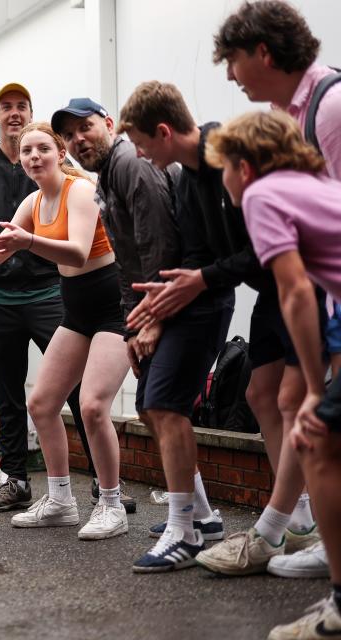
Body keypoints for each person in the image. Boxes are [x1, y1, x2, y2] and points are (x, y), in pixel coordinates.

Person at [121, 81, 322, 575]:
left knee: (296, 402)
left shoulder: (232, 160)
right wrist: (168, 297)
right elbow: (200, 255)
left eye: (144, 145)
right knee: (260, 396)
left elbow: (267, 245)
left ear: (164, 132)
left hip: (297, 284)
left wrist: (201, 280)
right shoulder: (188, 180)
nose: (143, 157)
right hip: (270, 290)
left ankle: (295, 522)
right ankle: (298, 514)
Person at [0, 122, 130, 540]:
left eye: (43, 149)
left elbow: (77, 249)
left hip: (112, 306)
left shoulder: (81, 190)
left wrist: (27, 242)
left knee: (91, 406)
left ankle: (111, 504)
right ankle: (61, 500)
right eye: (27, 151)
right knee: (42, 403)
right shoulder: (34, 201)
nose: (34, 156)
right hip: (76, 310)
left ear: (59, 154)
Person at [53, 95, 227, 570]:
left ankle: (185, 528)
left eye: (84, 128)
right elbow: (128, 263)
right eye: (68, 136)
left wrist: (148, 320)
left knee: (161, 407)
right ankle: (202, 518)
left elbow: (157, 246)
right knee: (156, 409)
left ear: (109, 124)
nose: (76, 141)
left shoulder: (129, 164)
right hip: (154, 303)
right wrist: (134, 324)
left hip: (184, 300)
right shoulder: (107, 177)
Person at [212, 0, 340, 579]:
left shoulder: (331, 106)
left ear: (263, 51)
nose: (231, 75)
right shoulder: (293, 114)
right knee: (303, 417)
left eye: (234, 61)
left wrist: (319, 378)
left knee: (314, 422)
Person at [205, 108, 341, 640]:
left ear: (244, 166)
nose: (222, 182)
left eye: (223, 169)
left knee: (317, 437)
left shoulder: (264, 197)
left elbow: (297, 291)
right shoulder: (312, 186)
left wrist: (313, 387)